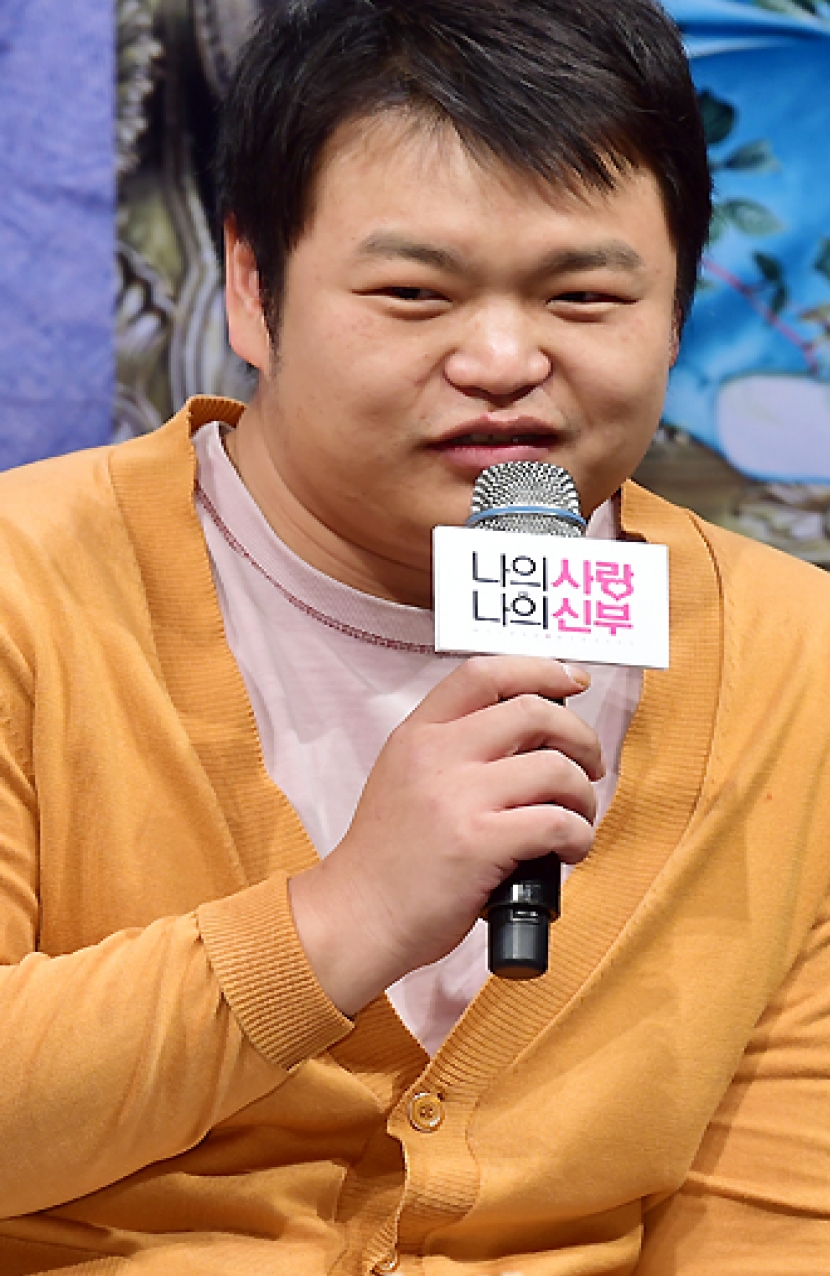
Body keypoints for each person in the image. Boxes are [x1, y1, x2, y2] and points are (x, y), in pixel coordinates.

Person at [0, 1, 828, 1271]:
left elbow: (773, 1215)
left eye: (583, 296)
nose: (500, 359)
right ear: (251, 287)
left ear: (676, 307)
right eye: (412, 293)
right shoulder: (29, 584)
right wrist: (342, 916)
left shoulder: (793, 658)